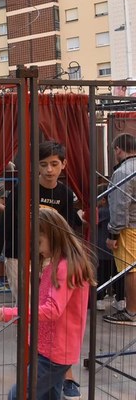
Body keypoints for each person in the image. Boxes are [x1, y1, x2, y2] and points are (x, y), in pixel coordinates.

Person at [0, 140, 84, 398]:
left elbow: (73, 230)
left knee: (52, 311)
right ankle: (39, 364)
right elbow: (5, 223)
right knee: (31, 308)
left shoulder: (66, 194)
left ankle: (57, 370)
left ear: (64, 165)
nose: (49, 170)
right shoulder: (23, 190)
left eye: (54, 164)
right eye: (43, 165)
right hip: (21, 256)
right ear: (35, 166)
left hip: (53, 259)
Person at [0, 208, 95, 400]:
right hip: (52, 349)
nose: (37, 248)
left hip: (54, 352)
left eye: (39, 242)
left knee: (17, 395)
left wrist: (6, 313)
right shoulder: (59, 264)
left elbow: (52, 309)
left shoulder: (65, 267)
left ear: (53, 235)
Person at [104, 133, 136, 326]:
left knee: (130, 269)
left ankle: (131, 311)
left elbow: (119, 206)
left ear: (118, 149)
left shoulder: (124, 171)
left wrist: (113, 234)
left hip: (128, 227)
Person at [95, 185, 126, 311]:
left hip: (103, 252)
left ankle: (100, 299)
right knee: (119, 277)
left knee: (102, 277)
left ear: (104, 199)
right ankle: (120, 300)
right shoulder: (118, 212)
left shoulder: (102, 212)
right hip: (118, 251)